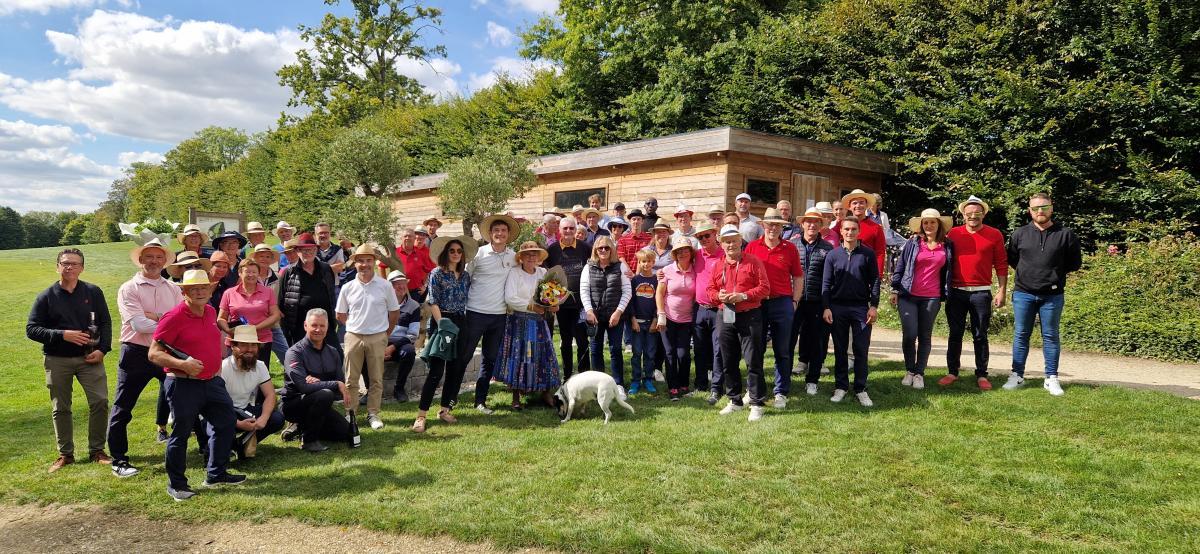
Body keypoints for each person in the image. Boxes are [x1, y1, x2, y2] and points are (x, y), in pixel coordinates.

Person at [148, 269, 245, 501]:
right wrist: (182, 364)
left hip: (212, 382)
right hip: (183, 384)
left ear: (210, 290)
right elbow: (154, 353)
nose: (200, 292)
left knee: (226, 423)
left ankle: (216, 474)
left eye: (204, 288)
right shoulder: (173, 317)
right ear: (184, 292)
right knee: (181, 434)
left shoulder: (210, 311)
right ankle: (177, 485)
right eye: (194, 289)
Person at [27, 248, 113, 473]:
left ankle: (97, 450)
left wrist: (103, 350)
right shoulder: (46, 296)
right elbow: (32, 329)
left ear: (82, 268)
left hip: (90, 358)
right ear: (57, 267)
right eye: (65, 263)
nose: (69, 267)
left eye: (74, 263)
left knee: (100, 402)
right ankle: (66, 454)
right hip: (57, 359)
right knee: (61, 407)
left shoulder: (93, 292)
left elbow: (105, 322)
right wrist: (62, 335)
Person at [108, 239, 180, 478]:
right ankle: (119, 459)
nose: (154, 261)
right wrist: (166, 320)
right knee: (123, 407)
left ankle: (197, 449)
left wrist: (155, 317)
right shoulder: (129, 288)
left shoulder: (173, 289)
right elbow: (138, 324)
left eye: (159, 257)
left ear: (165, 261)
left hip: (166, 352)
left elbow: (182, 320)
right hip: (136, 353)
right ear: (140, 260)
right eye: (149, 257)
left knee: (184, 401)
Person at [1003, 193, 1082, 396]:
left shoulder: (1066, 234)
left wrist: (1053, 274)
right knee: (1021, 334)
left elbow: (1074, 263)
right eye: (1036, 208)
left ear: (1051, 208)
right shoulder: (1019, 234)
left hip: (1053, 295)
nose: (1040, 211)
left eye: (1044, 207)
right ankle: (1017, 375)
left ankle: (1051, 378)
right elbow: (1013, 260)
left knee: (1051, 336)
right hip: (1023, 293)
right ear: (1029, 211)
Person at [941, 195, 1009, 390]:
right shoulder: (953, 233)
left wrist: (1002, 291)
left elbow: (1001, 264)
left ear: (983, 214)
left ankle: (981, 374)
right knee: (955, 334)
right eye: (969, 213)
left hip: (981, 293)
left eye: (977, 213)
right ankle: (952, 372)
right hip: (956, 291)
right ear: (963, 215)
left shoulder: (994, 234)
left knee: (980, 335)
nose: (973, 216)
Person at [412, 235, 476, 433]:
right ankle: (421, 416)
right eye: (452, 251)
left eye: (459, 251)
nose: (456, 254)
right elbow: (433, 301)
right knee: (436, 371)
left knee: (455, 369)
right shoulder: (437, 273)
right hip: (442, 321)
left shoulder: (465, 275)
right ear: (445, 253)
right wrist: (442, 324)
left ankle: (445, 409)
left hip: (461, 322)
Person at [708, 225, 770, 422]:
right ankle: (734, 400)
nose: (731, 245)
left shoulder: (753, 261)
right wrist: (718, 296)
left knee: (753, 360)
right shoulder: (717, 265)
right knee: (728, 360)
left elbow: (765, 288)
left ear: (740, 241)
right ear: (721, 244)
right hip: (725, 313)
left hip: (749, 314)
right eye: (727, 241)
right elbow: (710, 290)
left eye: (734, 240)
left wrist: (743, 295)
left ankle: (756, 403)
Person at [744, 208, 804, 408]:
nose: (773, 228)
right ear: (763, 225)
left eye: (777, 225)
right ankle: (754, 389)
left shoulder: (790, 248)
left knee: (783, 349)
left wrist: (795, 301)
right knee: (756, 348)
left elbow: (798, 276)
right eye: (770, 224)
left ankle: (781, 392)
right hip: (757, 303)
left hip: (782, 302)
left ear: (781, 227)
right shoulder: (752, 247)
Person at [460, 214, 519, 414]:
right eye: (496, 230)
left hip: (499, 316)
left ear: (508, 234)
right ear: (490, 233)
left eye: (503, 230)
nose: (500, 233)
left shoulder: (513, 257)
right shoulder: (478, 254)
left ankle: (480, 401)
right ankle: (449, 399)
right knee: (464, 356)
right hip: (475, 313)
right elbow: (464, 278)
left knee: (489, 359)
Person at [336, 244, 400, 430]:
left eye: (368, 260)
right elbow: (340, 314)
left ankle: (373, 413)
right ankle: (351, 413)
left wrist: (385, 334)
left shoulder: (385, 285)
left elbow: (394, 313)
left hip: (377, 336)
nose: (365, 264)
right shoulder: (348, 287)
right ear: (355, 263)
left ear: (374, 262)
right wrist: (353, 326)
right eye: (361, 261)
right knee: (351, 379)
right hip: (353, 336)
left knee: (376, 379)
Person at [890, 209, 954, 390]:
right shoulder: (913, 243)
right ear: (921, 225)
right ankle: (910, 370)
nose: (929, 225)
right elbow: (900, 266)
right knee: (910, 334)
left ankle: (919, 373)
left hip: (932, 296)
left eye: (932, 222)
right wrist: (894, 289)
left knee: (925, 335)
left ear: (938, 225)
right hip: (908, 294)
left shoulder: (947, 245)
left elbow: (949, 270)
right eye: (925, 222)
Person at [821, 216, 880, 407]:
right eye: (846, 229)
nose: (850, 232)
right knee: (840, 349)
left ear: (859, 231)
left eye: (854, 229)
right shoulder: (833, 255)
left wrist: (874, 305)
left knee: (861, 349)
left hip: (861, 307)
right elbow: (826, 283)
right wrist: (826, 307)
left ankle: (860, 388)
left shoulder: (867, 254)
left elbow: (875, 281)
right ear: (841, 231)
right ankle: (841, 386)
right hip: (837, 307)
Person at [499, 242, 562, 409]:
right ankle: (516, 396)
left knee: (543, 355)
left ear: (539, 257)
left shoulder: (542, 272)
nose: (531, 257)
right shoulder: (514, 272)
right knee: (519, 355)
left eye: (534, 254)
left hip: (539, 321)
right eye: (527, 254)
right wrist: (531, 306)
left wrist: (554, 304)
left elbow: (550, 295)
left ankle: (545, 392)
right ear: (521, 257)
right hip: (519, 320)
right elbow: (510, 298)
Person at [281, 308, 354, 452]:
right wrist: (333, 384)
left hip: (321, 404)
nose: (318, 329)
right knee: (325, 394)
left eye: (322, 326)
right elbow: (303, 387)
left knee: (346, 433)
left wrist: (319, 383)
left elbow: (338, 391)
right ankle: (309, 440)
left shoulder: (333, 352)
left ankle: (301, 427)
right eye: (314, 325)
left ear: (327, 327)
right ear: (305, 325)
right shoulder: (294, 353)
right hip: (293, 405)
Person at [219, 325, 285, 459]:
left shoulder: (260, 366)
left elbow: (270, 395)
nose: (250, 349)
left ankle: (241, 444)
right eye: (244, 345)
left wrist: (263, 418)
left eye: (253, 345)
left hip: (245, 410)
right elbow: (216, 406)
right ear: (233, 346)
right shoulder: (223, 368)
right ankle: (227, 445)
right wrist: (237, 423)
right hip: (224, 412)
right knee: (215, 425)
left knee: (277, 419)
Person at [789, 208, 834, 396]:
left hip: (816, 301)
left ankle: (812, 380)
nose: (812, 225)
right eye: (808, 221)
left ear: (821, 225)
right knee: (789, 341)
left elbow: (830, 279)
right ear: (802, 224)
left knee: (816, 342)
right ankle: (784, 379)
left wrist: (827, 305)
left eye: (816, 222)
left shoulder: (828, 248)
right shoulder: (791, 245)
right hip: (794, 301)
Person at [581, 235, 632, 386]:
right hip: (595, 316)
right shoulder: (588, 267)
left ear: (612, 250)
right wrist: (589, 311)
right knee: (595, 350)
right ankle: (599, 384)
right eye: (600, 248)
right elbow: (584, 290)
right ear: (595, 250)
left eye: (606, 247)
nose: (603, 250)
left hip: (615, 316)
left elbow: (627, 291)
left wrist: (618, 312)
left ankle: (618, 384)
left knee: (615, 349)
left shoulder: (620, 266)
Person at [545, 216, 591, 378]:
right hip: (562, 304)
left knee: (583, 341)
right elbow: (547, 276)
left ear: (576, 230)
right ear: (559, 230)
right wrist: (552, 301)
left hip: (582, 303)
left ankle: (584, 376)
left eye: (572, 228)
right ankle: (567, 376)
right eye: (565, 228)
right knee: (565, 341)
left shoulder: (585, 248)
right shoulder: (552, 250)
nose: (569, 231)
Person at [656, 238, 699, 400]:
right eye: (678, 251)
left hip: (686, 320)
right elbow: (659, 293)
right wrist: (660, 314)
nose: (682, 253)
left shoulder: (696, 270)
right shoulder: (667, 270)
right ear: (674, 254)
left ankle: (684, 384)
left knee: (683, 354)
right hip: (668, 318)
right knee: (669, 353)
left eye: (685, 250)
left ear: (691, 253)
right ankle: (673, 387)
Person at [218, 259, 281, 366]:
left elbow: (275, 315)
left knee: (259, 372)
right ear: (240, 273)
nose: (251, 275)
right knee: (234, 372)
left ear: (258, 274)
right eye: (247, 272)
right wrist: (228, 329)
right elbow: (221, 318)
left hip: (261, 340)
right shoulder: (229, 293)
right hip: (236, 341)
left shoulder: (268, 292)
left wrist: (255, 329)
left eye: (254, 272)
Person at [277, 232, 337, 345]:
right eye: (304, 250)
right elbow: (281, 303)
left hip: (324, 326)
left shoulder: (326, 269)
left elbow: (331, 294)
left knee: (333, 354)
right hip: (298, 328)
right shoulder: (289, 272)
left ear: (316, 250)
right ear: (297, 251)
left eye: (311, 250)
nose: (308, 253)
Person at [690, 223, 723, 404]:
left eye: (706, 235)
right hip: (700, 308)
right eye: (700, 237)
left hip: (720, 309)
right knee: (700, 349)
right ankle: (700, 384)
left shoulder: (724, 254)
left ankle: (716, 388)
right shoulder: (696, 255)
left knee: (718, 350)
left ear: (715, 234)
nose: (703, 239)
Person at [384, 270, 421, 402]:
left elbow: (413, 335)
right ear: (390, 287)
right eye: (396, 284)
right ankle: (369, 389)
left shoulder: (414, 306)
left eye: (403, 283)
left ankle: (399, 388)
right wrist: (381, 347)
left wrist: (392, 347)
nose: (401, 286)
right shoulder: (381, 304)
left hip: (400, 344)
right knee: (364, 350)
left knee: (409, 352)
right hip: (380, 342)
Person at [627, 249, 659, 394]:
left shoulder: (656, 280)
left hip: (651, 323)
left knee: (650, 353)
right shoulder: (634, 280)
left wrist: (655, 319)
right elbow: (630, 302)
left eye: (649, 261)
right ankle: (635, 380)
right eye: (643, 261)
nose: (646, 264)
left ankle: (648, 379)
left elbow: (659, 301)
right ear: (639, 263)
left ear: (653, 262)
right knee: (636, 353)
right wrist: (633, 319)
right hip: (637, 323)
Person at [835, 190, 887, 274]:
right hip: (843, 270)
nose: (858, 206)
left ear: (866, 205)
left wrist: (878, 275)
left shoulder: (876, 228)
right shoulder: (841, 225)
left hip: (866, 271)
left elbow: (880, 253)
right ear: (850, 206)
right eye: (855, 203)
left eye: (861, 203)